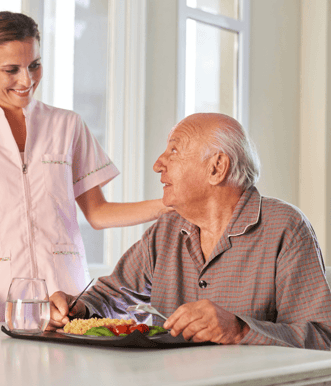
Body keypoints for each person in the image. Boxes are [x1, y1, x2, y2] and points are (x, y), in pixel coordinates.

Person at [0, 11, 169, 326]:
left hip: (67, 299)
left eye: (34, 65)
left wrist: (168, 205)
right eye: (11, 70)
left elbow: (97, 213)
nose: (26, 80)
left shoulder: (67, 125)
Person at [50, 113, 331, 350]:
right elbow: (111, 296)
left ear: (217, 167)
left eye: (174, 150)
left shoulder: (285, 228)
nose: (158, 164)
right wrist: (78, 309)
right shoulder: (167, 229)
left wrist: (239, 330)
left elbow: (323, 338)